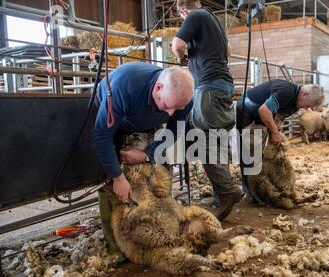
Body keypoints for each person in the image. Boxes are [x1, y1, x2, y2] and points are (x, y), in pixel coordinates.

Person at [92, 62, 194, 257]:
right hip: (115, 119)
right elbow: (101, 135)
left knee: (159, 172)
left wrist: (148, 153)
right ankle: (117, 247)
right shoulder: (124, 87)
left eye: (176, 108)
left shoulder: (181, 97)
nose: (171, 113)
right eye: (168, 106)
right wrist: (118, 178)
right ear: (158, 87)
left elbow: (175, 129)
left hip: (145, 119)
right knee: (111, 184)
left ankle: (160, 230)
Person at [171, 0, 243, 222]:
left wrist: (181, 57)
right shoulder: (215, 21)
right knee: (217, 140)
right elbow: (229, 50)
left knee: (205, 143)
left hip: (208, 87)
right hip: (224, 86)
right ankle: (222, 193)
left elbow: (177, 44)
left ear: (184, 10)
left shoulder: (194, 16)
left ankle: (229, 191)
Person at [236, 80, 325, 202]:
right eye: (309, 104)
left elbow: (278, 115)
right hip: (248, 108)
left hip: (262, 112)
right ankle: (251, 192)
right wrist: (274, 132)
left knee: (267, 149)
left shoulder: (296, 103)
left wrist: (275, 128)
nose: (308, 108)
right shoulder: (286, 92)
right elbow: (264, 110)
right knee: (251, 148)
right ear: (304, 95)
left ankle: (269, 188)